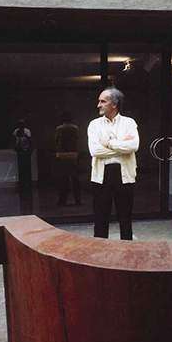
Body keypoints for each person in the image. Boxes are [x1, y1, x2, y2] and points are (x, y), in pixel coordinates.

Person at [87, 87, 139, 240]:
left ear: (114, 104)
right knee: (100, 220)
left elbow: (134, 146)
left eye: (103, 101)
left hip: (125, 177)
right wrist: (121, 147)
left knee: (125, 219)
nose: (99, 105)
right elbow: (95, 151)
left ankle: (127, 254)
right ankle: (100, 256)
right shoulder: (94, 125)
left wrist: (109, 143)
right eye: (99, 101)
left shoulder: (129, 123)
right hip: (101, 178)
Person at [54, 112, 81, 206]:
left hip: (62, 155)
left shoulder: (59, 129)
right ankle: (78, 200)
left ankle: (62, 200)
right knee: (75, 179)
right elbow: (77, 140)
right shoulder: (75, 128)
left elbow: (56, 141)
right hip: (73, 154)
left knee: (63, 179)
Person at [12, 119, 32, 188]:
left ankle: (28, 183)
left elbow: (30, 140)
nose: (21, 126)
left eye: (22, 125)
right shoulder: (16, 131)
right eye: (19, 125)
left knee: (27, 167)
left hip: (26, 150)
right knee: (20, 167)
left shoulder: (27, 131)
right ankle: (22, 183)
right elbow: (14, 139)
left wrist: (29, 150)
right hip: (19, 150)